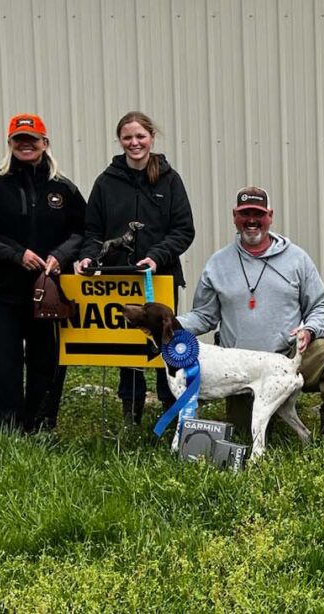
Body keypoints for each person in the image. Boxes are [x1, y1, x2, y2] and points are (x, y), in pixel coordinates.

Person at [176, 186, 324, 438]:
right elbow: (204, 316)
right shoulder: (217, 264)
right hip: (242, 364)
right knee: (243, 436)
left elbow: (320, 306)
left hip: (292, 354)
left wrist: (309, 330)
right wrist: (170, 324)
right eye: (245, 214)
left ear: (270, 216)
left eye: (258, 214)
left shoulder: (297, 259)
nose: (251, 220)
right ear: (234, 216)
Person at [0, 113, 86, 433]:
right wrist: (15, 254)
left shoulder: (64, 189)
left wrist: (61, 255)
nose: (26, 145)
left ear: (45, 143)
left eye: (33, 140)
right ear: (10, 143)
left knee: (47, 363)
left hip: (48, 294)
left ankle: (41, 428)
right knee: (3, 364)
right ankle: (5, 430)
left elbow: (82, 231)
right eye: (19, 140)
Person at [76, 112, 195, 426]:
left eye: (140, 136)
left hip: (161, 280)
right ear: (120, 141)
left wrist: (157, 255)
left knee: (166, 348)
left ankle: (171, 415)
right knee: (127, 350)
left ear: (151, 138)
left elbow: (184, 230)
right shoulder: (106, 182)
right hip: (120, 281)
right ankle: (131, 416)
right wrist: (89, 257)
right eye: (127, 137)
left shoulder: (170, 180)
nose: (134, 143)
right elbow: (92, 232)